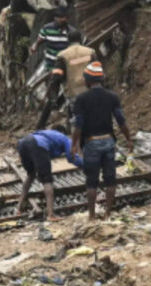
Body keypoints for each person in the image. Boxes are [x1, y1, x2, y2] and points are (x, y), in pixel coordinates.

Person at [71, 62, 133, 221]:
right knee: (110, 179)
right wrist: (128, 139)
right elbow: (121, 120)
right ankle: (107, 214)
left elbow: (78, 125)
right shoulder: (112, 96)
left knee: (92, 181)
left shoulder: (81, 99)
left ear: (88, 80)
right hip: (109, 142)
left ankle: (91, 215)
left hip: (92, 143)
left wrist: (73, 145)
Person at [17, 126, 83, 221]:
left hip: (22, 143)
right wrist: (84, 165)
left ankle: (18, 208)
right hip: (37, 144)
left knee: (31, 175)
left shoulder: (46, 133)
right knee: (47, 180)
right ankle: (51, 214)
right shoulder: (64, 138)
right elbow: (71, 156)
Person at [31, 6, 76, 129]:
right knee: (52, 98)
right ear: (55, 18)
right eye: (58, 17)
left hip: (67, 69)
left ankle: (70, 125)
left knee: (70, 97)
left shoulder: (71, 32)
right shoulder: (47, 29)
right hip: (51, 67)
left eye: (63, 17)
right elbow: (39, 40)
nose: (60, 19)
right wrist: (35, 46)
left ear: (67, 18)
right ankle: (40, 125)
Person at [49, 30, 97, 131]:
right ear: (80, 38)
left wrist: (54, 101)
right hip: (90, 91)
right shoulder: (90, 52)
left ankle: (78, 142)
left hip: (73, 93)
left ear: (68, 41)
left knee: (77, 122)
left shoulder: (62, 55)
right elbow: (97, 73)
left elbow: (56, 78)